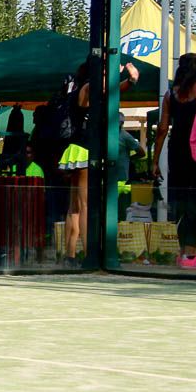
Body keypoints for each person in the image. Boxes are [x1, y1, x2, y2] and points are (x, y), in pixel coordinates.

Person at [58, 60, 138, 268]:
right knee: (84, 206)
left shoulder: (87, 88)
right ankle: (88, 254)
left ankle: (71, 255)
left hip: (79, 149)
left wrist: (131, 79)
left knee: (75, 206)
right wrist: (116, 74)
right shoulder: (88, 87)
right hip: (84, 150)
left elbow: (117, 89)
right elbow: (105, 87)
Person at [152, 53, 196, 269]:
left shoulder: (171, 94)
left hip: (177, 152)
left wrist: (155, 161)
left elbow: (162, 129)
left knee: (180, 201)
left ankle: (183, 253)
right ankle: (190, 256)